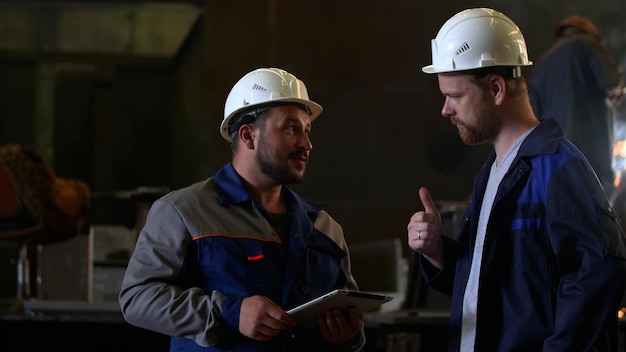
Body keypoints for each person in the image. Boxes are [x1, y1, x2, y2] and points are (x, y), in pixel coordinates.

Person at [407, 8, 626, 351]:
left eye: (455, 96)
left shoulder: (556, 167)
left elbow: (597, 275)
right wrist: (438, 253)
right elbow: (488, 287)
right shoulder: (492, 174)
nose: (446, 110)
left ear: (495, 88)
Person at [119, 67, 365, 351]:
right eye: (291, 128)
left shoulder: (325, 228)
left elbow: (353, 322)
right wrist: (229, 313)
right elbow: (137, 298)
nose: (307, 144)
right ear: (248, 136)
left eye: (307, 131)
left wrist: (347, 338)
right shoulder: (183, 211)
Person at [530, 15, 624, 199]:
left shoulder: (542, 64)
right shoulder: (585, 44)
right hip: (589, 147)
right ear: (588, 31)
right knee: (598, 205)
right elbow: (612, 81)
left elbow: (536, 114)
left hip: (555, 155)